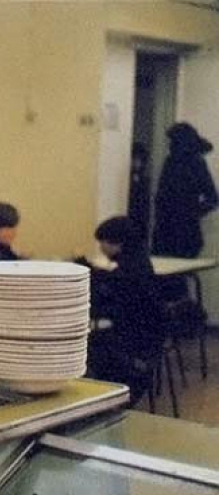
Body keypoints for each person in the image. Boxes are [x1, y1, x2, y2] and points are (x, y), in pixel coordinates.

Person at [87, 216, 164, 404]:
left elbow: (112, 297)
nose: (101, 248)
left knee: (89, 347)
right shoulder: (137, 261)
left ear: (117, 242)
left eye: (103, 242)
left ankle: (100, 397)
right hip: (145, 336)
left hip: (133, 341)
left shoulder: (129, 271)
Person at [153, 122, 218, 259]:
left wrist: (191, 212)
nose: (170, 145)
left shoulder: (195, 163)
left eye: (173, 142)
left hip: (183, 230)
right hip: (168, 227)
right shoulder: (171, 162)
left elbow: (212, 198)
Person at [128, 142, 151, 243]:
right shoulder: (127, 178)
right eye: (135, 159)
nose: (137, 163)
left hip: (141, 217)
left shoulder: (144, 179)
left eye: (139, 159)